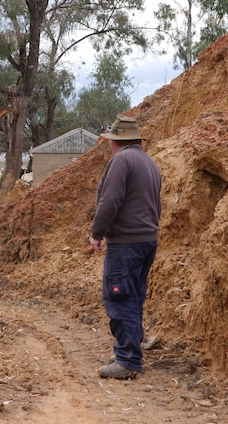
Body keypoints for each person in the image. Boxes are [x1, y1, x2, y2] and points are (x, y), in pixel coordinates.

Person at [89, 114, 162, 380]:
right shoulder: (149, 162)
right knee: (134, 297)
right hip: (147, 240)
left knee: (120, 297)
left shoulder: (121, 161)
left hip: (126, 243)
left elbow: (109, 202)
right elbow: (157, 205)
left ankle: (128, 360)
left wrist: (97, 233)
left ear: (116, 141)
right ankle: (128, 348)